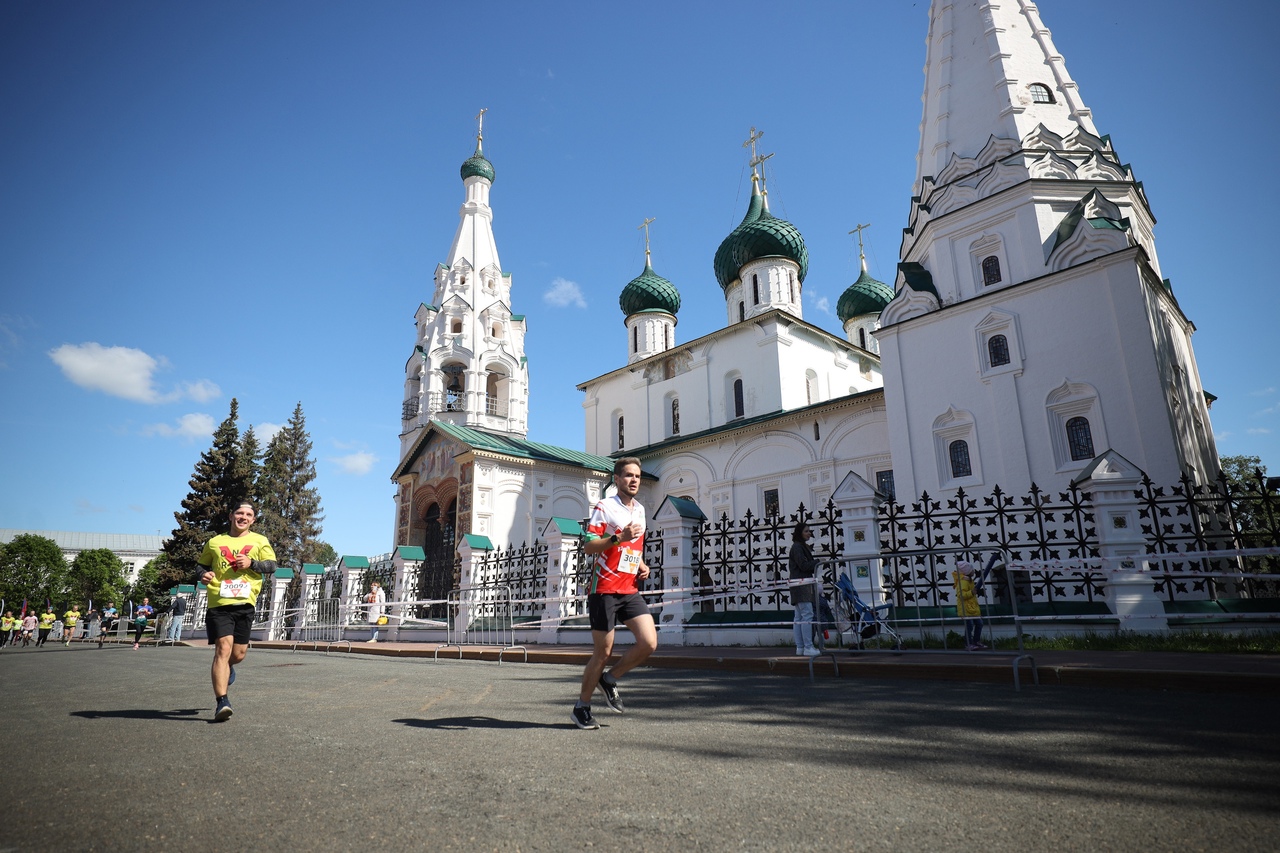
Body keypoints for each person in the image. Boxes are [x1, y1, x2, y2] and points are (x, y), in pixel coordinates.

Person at [572, 457, 657, 730]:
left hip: (629, 588)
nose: (634, 480)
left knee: (648, 643)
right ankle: (581, 707)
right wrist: (618, 537)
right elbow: (589, 546)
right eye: (629, 475)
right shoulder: (605, 507)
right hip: (604, 589)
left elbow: (635, 547)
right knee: (603, 651)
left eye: (638, 476)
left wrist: (641, 563)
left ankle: (609, 679)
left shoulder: (641, 510)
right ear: (617, 479)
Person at [195, 501, 277, 722]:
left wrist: (252, 563)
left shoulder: (260, 540)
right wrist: (203, 575)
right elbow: (201, 566)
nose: (243, 517)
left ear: (253, 520)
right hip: (219, 602)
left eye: (248, 514)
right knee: (223, 648)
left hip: (245, 602)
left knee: (238, 654)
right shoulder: (215, 542)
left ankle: (229, 667)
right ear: (231, 516)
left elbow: (272, 566)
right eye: (239, 513)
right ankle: (222, 701)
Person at [788, 522, 822, 656]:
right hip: (802, 585)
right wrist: (818, 561)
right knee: (806, 615)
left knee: (799, 617)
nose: (809, 533)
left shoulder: (799, 546)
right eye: (806, 531)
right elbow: (803, 565)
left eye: (809, 531)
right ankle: (808, 646)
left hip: (799, 584)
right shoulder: (797, 547)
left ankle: (800, 647)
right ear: (799, 533)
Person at [952, 561, 986, 651]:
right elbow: (961, 595)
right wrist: (971, 592)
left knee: (979, 623)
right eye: (971, 570)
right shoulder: (963, 581)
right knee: (970, 625)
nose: (973, 571)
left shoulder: (968, 580)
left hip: (971, 607)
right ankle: (968, 643)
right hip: (966, 608)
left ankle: (976, 641)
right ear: (967, 571)